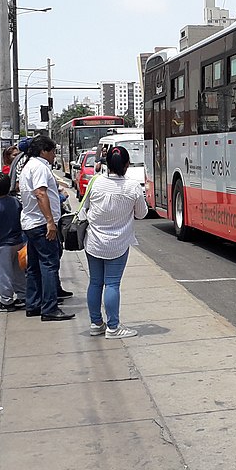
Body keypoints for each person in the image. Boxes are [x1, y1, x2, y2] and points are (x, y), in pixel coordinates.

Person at [82, 144, 148, 339]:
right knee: (112, 284)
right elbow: (142, 214)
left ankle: (95, 323)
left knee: (95, 283)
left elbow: (85, 207)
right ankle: (113, 327)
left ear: (106, 163)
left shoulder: (95, 182)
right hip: (118, 244)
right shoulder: (132, 187)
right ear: (127, 164)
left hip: (93, 241)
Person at [18, 135, 72, 321]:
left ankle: (33, 304)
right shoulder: (40, 167)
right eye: (53, 151)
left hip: (31, 222)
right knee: (49, 265)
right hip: (41, 224)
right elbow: (41, 193)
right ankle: (49, 307)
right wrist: (50, 221)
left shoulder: (29, 166)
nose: (54, 155)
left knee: (34, 266)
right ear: (44, 151)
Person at [0, 172, 26, 312]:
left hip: (3, 244)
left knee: (3, 273)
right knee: (18, 270)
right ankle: (23, 296)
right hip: (18, 241)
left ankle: (6, 301)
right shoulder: (15, 202)